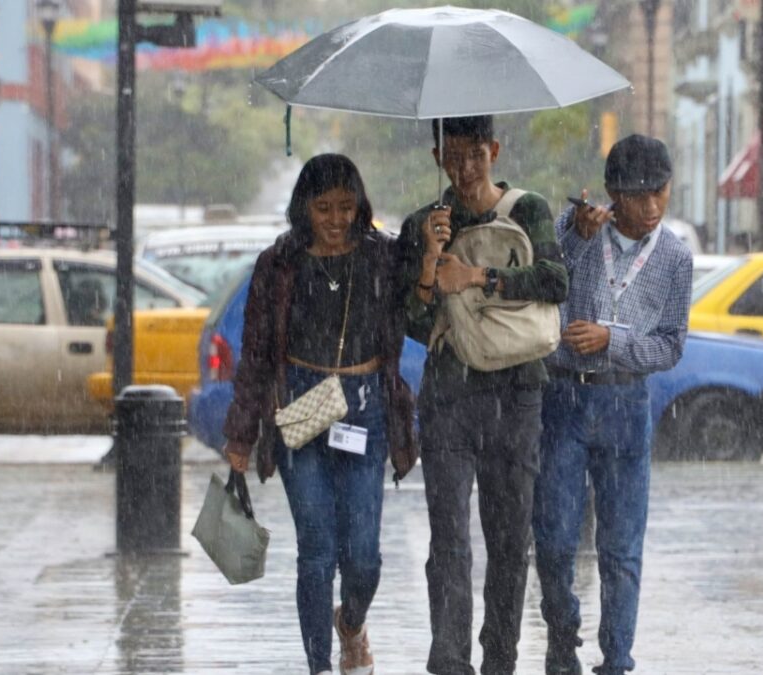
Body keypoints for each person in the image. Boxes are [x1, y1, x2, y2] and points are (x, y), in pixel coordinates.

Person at [222, 153, 418, 675]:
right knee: (316, 551)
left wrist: (433, 247)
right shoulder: (279, 263)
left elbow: (424, 303)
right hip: (300, 409)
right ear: (303, 207)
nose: (335, 220)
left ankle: (350, 624)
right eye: (324, 208)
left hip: (365, 406)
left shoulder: (384, 257)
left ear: (361, 207)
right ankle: (319, 666)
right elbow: (257, 353)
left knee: (364, 557)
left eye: (346, 207)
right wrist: (241, 435)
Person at [395, 115, 569, 675]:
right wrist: (428, 266)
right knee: (448, 539)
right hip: (449, 396)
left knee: (509, 540)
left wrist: (479, 279)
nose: (466, 168)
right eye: (454, 156)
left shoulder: (529, 210)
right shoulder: (423, 222)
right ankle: (449, 661)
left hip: (519, 395)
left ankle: (500, 660)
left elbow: (555, 283)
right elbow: (414, 322)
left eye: (477, 155)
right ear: (437, 157)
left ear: (494, 150)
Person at [532, 134, 693, 675]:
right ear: (612, 194)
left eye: (660, 192)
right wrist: (576, 240)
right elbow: (546, 288)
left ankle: (617, 660)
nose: (651, 206)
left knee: (621, 547)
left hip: (627, 402)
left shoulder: (674, 257)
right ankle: (562, 631)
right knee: (553, 537)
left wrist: (613, 340)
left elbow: (670, 345)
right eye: (638, 195)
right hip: (564, 397)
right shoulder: (573, 230)